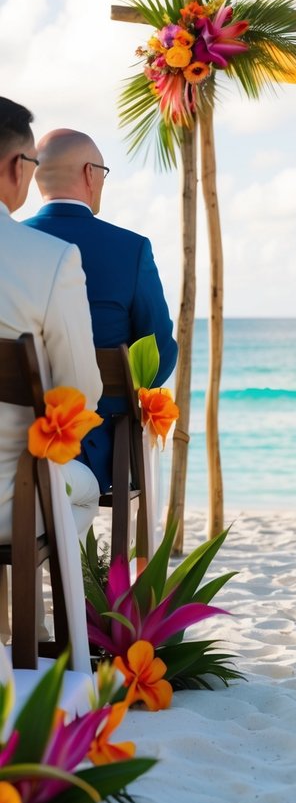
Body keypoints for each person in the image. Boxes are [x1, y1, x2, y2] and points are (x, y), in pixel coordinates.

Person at [24, 127, 177, 494]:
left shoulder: (12, 245)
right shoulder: (130, 249)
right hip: (101, 451)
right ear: (89, 174)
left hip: (20, 441)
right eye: (103, 174)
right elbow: (159, 355)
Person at [0, 99, 102, 540]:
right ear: (13, 168)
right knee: (84, 491)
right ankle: (36, 611)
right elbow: (80, 392)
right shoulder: (50, 259)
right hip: (7, 503)